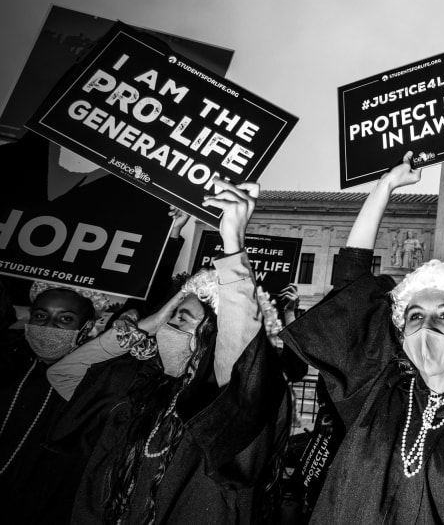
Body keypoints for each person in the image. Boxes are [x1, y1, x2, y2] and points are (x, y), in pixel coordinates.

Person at [281, 152, 444, 524]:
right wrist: (385, 188)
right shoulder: (374, 392)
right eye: (416, 315)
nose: (427, 327)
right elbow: (352, 281)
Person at [44, 179, 290, 524]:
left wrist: (233, 247)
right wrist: (154, 320)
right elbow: (63, 374)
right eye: (170, 319)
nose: (168, 329)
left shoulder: (231, 408)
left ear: (214, 336)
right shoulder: (140, 389)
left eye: (182, 319)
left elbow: (240, 366)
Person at [0, 281, 107, 523]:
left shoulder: (94, 382)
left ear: (86, 327)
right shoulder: (8, 362)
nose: (49, 325)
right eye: (40, 315)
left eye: (65, 319)